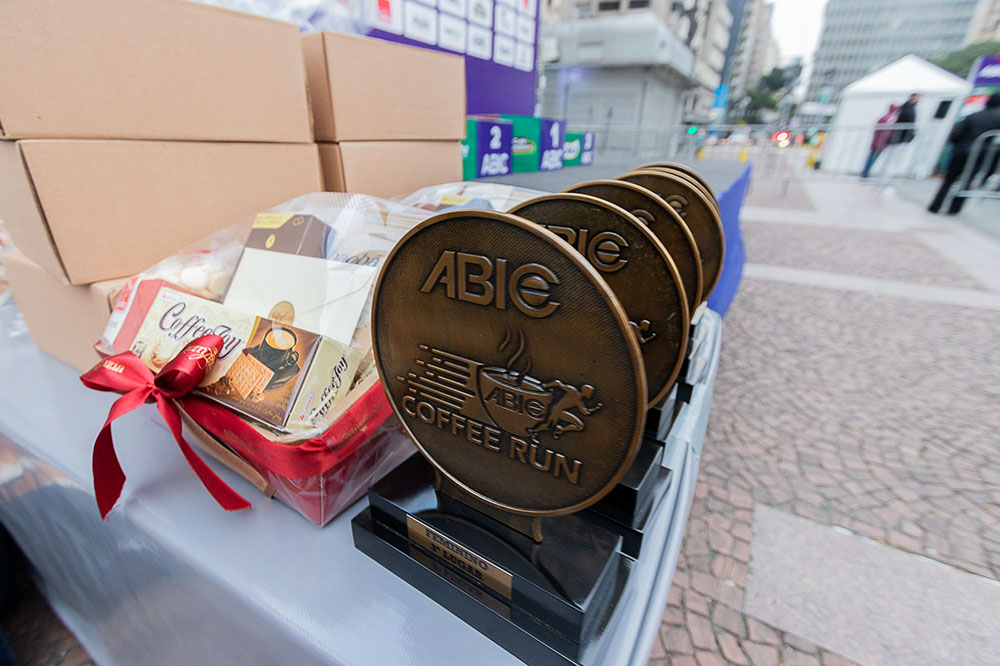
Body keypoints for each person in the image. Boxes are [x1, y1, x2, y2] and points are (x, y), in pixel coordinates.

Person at [928, 92, 1000, 214]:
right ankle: (954, 209)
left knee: (949, 179)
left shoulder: (973, 116)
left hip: (962, 150)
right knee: (967, 181)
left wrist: (958, 145)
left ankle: (935, 206)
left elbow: (956, 133)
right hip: (982, 154)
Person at [879, 93, 920, 184]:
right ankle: (884, 181)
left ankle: (884, 180)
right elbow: (909, 123)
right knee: (892, 161)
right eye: (918, 97)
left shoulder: (905, 107)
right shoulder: (909, 109)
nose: (919, 100)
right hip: (899, 138)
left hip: (897, 138)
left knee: (891, 160)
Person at [861, 103, 899, 178]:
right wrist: (888, 140)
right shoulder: (891, 119)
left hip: (877, 140)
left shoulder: (884, 117)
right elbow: (887, 132)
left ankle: (865, 173)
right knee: (873, 158)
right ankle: (865, 174)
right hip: (881, 142)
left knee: (871, 157)